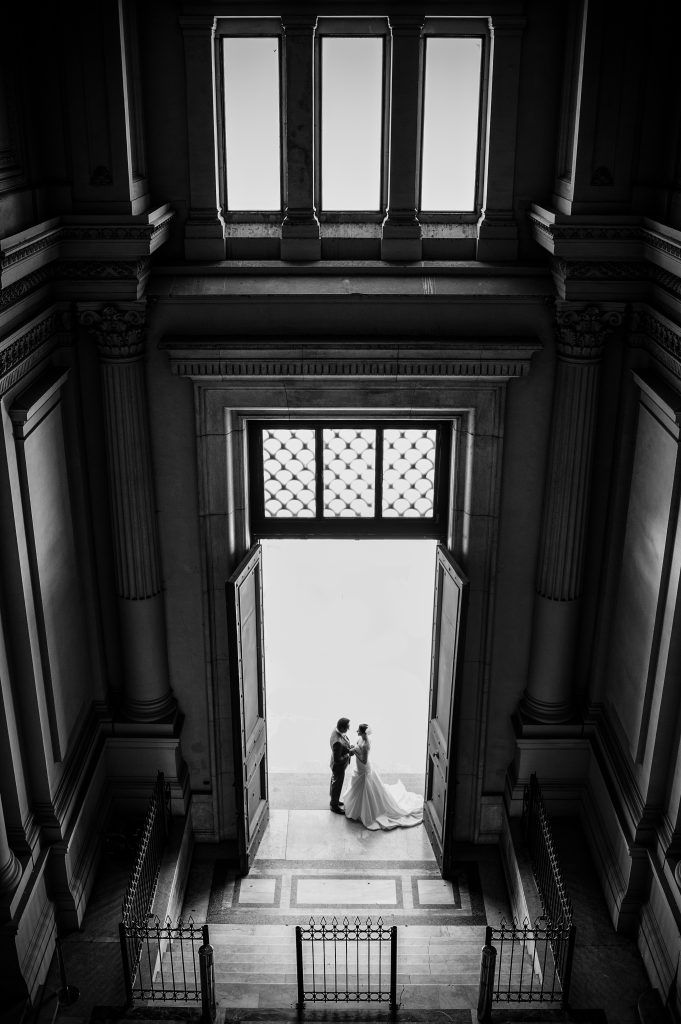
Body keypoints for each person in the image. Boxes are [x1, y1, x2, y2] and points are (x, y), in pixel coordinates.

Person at [341, 724, 423, 830]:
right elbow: (357, 747)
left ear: (363, 733)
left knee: (365, 788)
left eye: (358, 731)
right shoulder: (360, 739)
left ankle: (365, 811)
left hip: (364, 768)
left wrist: (355, 752)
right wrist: (354, 748)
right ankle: (358, 809)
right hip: (359, 767)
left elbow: (364, 760)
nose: (357, 732)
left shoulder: (366, 744)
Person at [329, 717, 355, 814]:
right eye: (347, 727)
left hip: (335, 765)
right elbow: (337, 760)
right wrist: (349, 754)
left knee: (334, 782)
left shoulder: (336, 731)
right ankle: (334, 806)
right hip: (338, 767)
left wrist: (348, 748)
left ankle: (334, 800)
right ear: (342, 728)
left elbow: (342, 746)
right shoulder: (337, 742)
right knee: (337, 785)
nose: (348, 729)